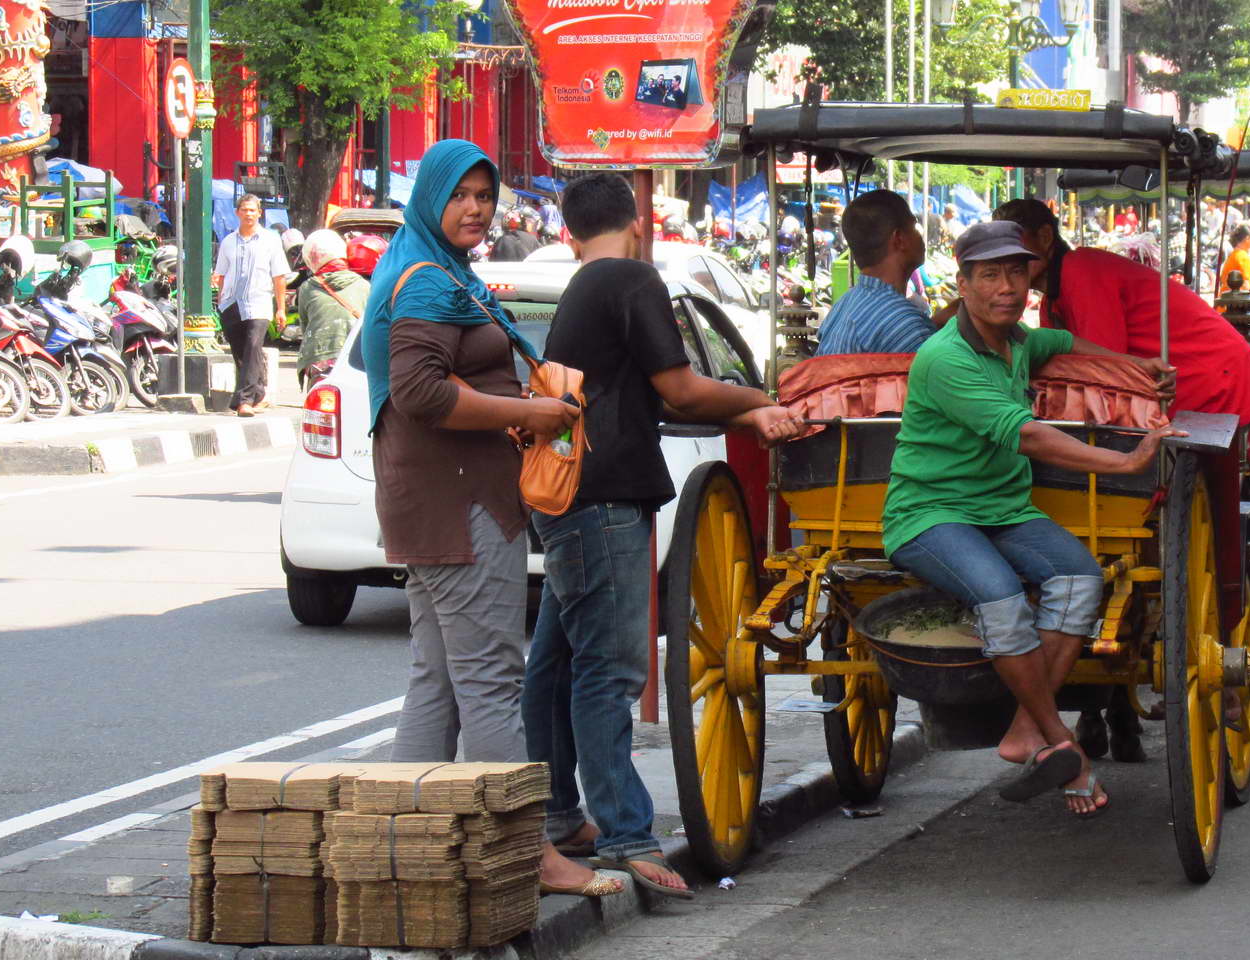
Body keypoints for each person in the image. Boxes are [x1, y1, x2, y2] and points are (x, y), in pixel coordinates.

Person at [521, 172, 803, 900]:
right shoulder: (630, 280)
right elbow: (680, 389)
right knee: (608, 671)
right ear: (638, 221)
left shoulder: (585, 284)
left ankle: (556, 816)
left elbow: (651, 396)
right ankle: (623, 833)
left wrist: (741, 412)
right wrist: (758, 404)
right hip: (605, 496)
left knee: (555, 666)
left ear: (568, 230)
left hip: (569, 495)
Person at [359, 138, 620, 900]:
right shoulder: (424, 282)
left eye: (484, 194)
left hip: (442, 499)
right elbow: (421, 394)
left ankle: (405, 850)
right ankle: (528, 855)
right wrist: (530, 413)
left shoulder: (437, 270)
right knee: (489, 681)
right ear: (430, 198)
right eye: (459, 195)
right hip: (459, 502)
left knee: (438, 679)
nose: (474, 209)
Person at [883, 221, 1184, 817]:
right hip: (929, 514)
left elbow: (1066, 344)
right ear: (963, 284)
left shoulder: (1019, 341)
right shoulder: (945, 358)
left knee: (1080, 579)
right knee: (1000, 597)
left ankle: (1026, 731)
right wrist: (1123, 462)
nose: (1007, 287)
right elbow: (1025, 434)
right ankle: (1063, 742)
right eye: (990, 275)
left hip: (1004, 510)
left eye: (1017, 273)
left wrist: (1134, 367)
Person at [994, 197, 1250, 427]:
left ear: (1044, 237)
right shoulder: (1054, 297)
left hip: (1209, 378)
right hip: (1191, 380)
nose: (1007, 260)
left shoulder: (1081, 271)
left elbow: (1101, 369)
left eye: (1014, 248)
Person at [815, 189, 952, 355]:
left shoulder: (844, 304)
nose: (920, 237)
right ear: (899, 239)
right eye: (914, 228)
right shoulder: (906, 326)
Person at [211, 192, 291, 416]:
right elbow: (221, 274)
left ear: (259, 213)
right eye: (244, 210)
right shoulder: (228, 241)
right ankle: (259, 393)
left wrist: (281, 309)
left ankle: (244, 400)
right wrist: (220, 300)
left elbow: (279, 276)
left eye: (252, 210)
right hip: (231, 303)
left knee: (253, 344)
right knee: (240, 353)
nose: (248, 214)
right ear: (237, 213)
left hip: (259, 302)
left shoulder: (270, 240)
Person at [294, 229, 367, 388]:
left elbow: (305, 327)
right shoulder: (364, 285)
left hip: (320, 360)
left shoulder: (307, 288)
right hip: (356, 360)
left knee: (318, 408)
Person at [1220, 225, 1250, 293]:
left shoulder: (1236, 253)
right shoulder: (1242, 257)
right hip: (1235, 300)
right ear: (1247, 238)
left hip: (1227, 297)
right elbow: (1246, 284)